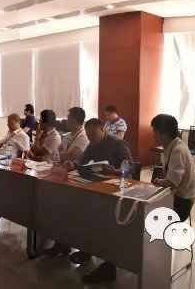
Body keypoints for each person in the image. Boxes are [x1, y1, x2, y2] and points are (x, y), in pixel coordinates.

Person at [73, 118, 137, 283]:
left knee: (103, 223)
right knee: (83, 215)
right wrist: (73, 164)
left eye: (94, 135)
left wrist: (115, 171)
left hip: (117, 191)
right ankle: (87, 250)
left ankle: (109, 266)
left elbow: (130, 167)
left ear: (103, 129)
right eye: (88, 136)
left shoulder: (118, 144)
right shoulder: (93, 144)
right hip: (98, 187)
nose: (91, 139)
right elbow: (82, 161)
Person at [153, 114, 195, 220]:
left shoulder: (178, 150)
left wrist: (158, 181)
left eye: (155, 132)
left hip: (183, 201)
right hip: (178, 196)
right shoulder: (173, 145)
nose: (153, 135)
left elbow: (172, 183)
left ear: (164, 134)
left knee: (149, 213)